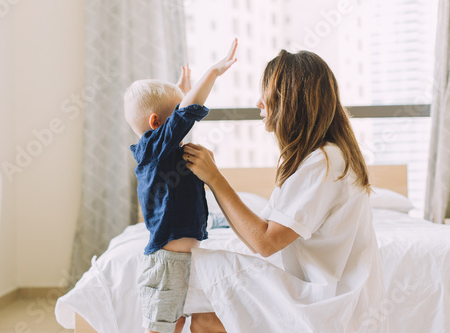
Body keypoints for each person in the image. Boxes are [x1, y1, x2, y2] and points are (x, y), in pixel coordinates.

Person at [182, 49, 388, 332]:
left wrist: (215, 179)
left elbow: (265, 242)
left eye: (265, 95)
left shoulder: (324, 162)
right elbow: (257, 235)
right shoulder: (324, 157)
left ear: (289, 101)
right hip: (326, 296)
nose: (258, 102)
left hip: (327, 305)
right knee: (203, 313)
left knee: (193, 272)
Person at [124, 39, 238, 333]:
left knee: (179, 322)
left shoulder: (163, 152)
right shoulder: (153, 149)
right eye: (175, 114)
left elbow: (173, 118)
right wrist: (211, 73)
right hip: (167, 263)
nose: (182, 126)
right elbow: (182, 117)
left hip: (182, 259)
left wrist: (179, 92)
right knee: (162, 327)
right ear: (156, 123)